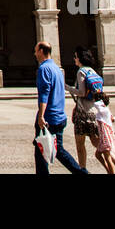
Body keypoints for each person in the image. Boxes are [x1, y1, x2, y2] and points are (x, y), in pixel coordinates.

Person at [33, 41, 87, 175]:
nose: (34, 54)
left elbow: (44, 94)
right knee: (57, 150)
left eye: (35, 50)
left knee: (42, 151)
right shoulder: (57, 68)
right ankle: (81, 172)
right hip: (59, 116)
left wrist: (41, 115)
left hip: (49, 117)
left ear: (41, 51)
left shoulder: (43, 68)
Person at [69, 47, 102, 170]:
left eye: (75, 57)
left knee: (80, 144)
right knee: (97, 143)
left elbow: (81, 93)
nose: (74, 59)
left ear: (80, 59)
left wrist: (67, 87)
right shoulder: (93, 71)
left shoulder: (81, 71)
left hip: (83, 113)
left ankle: (82, 169)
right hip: (94, 110)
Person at [92, 92, 115, 174]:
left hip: (105, 137)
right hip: (104, 137)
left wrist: (98, 99)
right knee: (98, 155)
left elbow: (96, 104)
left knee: (108, 158)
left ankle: (114, 171)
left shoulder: (103, 110)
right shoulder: (105, 109)